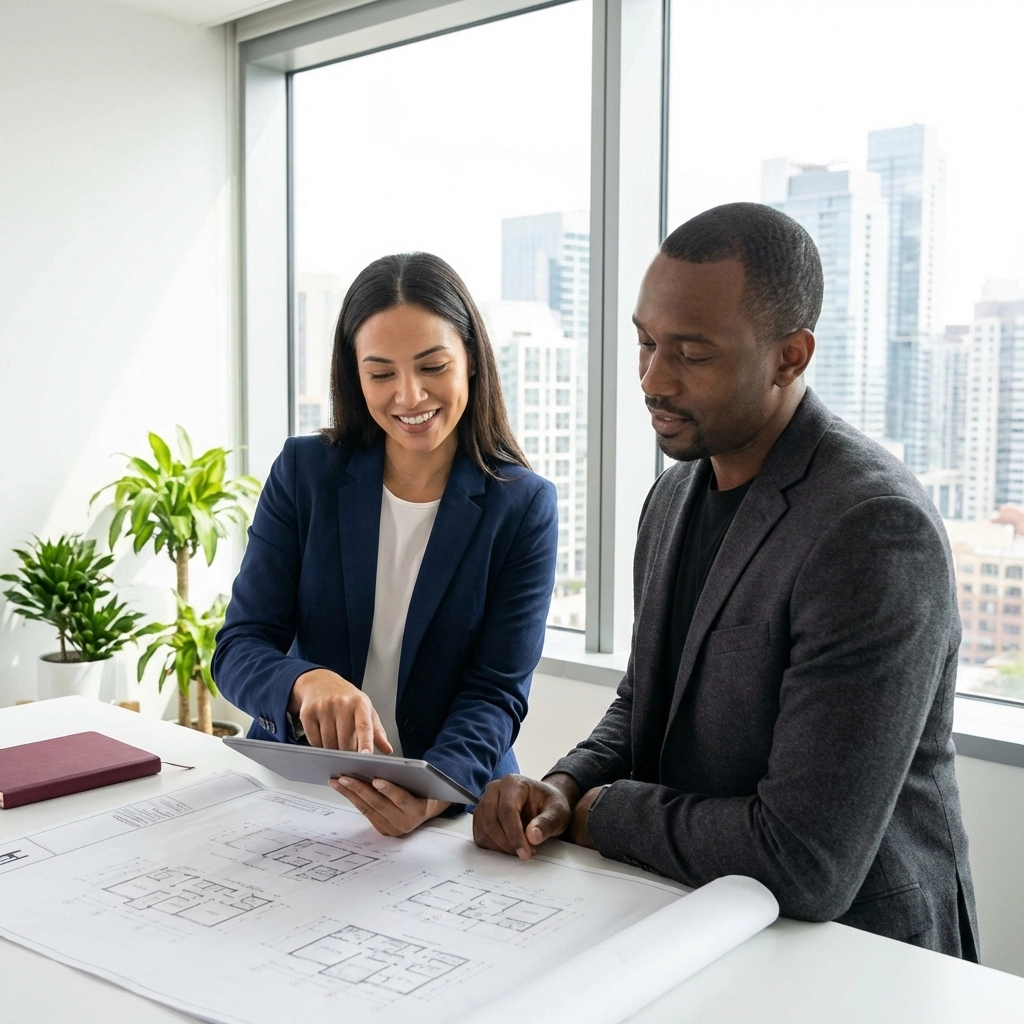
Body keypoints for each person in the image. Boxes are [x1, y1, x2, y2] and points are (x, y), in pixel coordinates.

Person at [472, 203, 980, 959]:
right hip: (699, 925)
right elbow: (646, 702)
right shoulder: (672, 495)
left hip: (857, 961)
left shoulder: (872, 530)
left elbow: (807, 860)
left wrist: (603, 813)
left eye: (691, 353)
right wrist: (565, 786)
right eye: (645, 342)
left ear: (790, 356)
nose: (651, 378)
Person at [214, 252, 558, 836]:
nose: (409, 396)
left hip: (449, 809)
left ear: (470, 361)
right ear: (355, 376)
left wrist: (431, 792)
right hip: (300, 799)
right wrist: (304, 683)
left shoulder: (522, 505)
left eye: (432, 366)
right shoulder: (304, 473)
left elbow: (495, 694)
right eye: (381, 374)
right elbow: (240, 647)